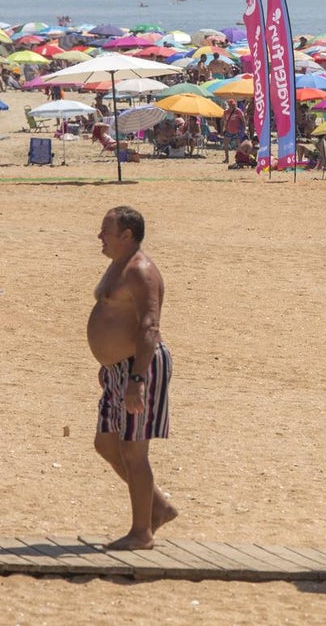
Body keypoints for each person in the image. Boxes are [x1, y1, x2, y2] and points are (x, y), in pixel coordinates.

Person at [88, 206, 178, 550]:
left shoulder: (141, 272)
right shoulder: (118, 266)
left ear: (127, 235)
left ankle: (142, 533)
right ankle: (158, 506)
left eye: (106, 231)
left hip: (140, 368)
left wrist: (137, 379)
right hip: (118, 369)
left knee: (133, 451)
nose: (100, 236)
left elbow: (148, 326)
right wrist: (108, 362)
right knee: (106, 443)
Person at [221, 100, 245, 164]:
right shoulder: (226, 112)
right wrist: (222, 129)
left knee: (238, 146)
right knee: (225, 145)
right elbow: (223, 120)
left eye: (233, 105)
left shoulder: (238, 111)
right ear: (229, 105)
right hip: (228, 130)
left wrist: (244, 129)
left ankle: (239, 158)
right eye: (231, 105)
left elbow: (243, 120)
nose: (233, 106)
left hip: (237, 131)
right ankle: (227, 158)